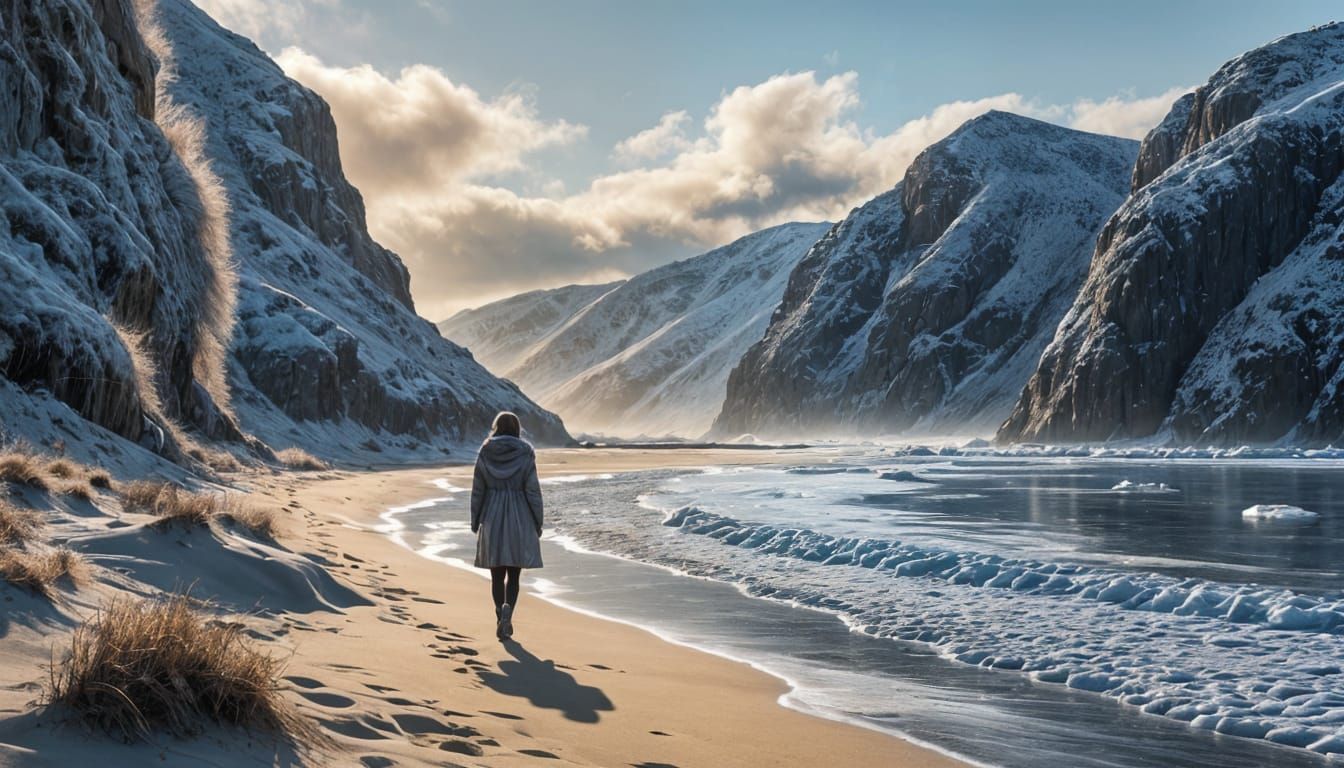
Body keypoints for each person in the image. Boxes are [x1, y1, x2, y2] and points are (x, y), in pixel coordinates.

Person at [470, 411, 544, 640]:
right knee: (514, 575)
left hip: (492, 513)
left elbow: (478, 490)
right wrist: (537, 521)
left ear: (496, 427)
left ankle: (498, 615)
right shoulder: (526, 453)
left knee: (496, 575)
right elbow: (532, 490)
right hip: (519, 515)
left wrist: (475, 519)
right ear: (517, 429)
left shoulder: (485, 450)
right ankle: (508, 611)